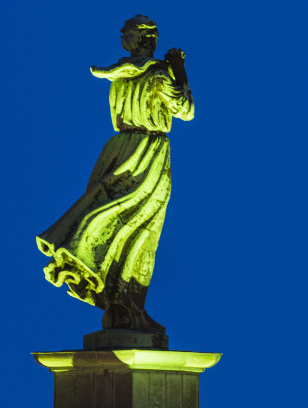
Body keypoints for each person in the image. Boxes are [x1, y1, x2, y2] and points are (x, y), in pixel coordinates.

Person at [37, 15, 193, 333]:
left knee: (112, 220)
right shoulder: (158, 75)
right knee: (141, 230)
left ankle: (121, 306)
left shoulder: (119, 76)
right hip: (147, 154)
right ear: (150, 41)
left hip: (119, 150)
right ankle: (128, 307)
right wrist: (178, 67)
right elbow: (186, 110)